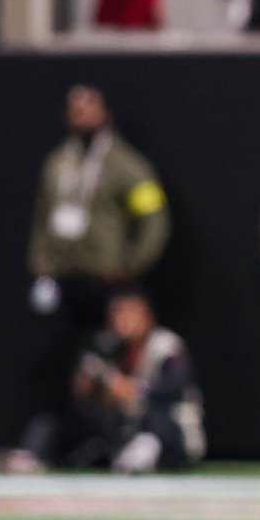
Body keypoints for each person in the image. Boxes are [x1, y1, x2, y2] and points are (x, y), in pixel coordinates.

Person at [23, 84, 171, 445]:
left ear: (105, 114)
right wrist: (39, 259)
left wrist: (131, 264)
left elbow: (155, 219)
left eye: (89, 108)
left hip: (103, 280)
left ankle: (112, 440)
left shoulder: (126, 164)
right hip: (62, 279)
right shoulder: (59, 162)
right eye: (75, 110)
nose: (82, 116)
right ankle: (51, 441)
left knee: (107, 361)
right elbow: (43, 217)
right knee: (53, 362)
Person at [8, 284, 205, 474]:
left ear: (147, 315)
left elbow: (175, 388)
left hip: (168, 431)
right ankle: (30, 456)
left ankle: (142, 453)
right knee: (53, 420)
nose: (123, 319)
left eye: (130, 312)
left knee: (156, 420)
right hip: (122, 431)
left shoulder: (167, 346)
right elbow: (85, 394)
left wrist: (135, 390)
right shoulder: (106, 346)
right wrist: (91, 389)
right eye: (116, 312)